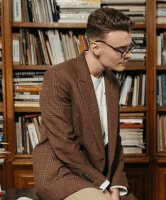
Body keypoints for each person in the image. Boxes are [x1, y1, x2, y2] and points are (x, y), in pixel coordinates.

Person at [33, 8, 138, 200]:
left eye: (130, 47)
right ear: (96, 47)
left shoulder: (112, 82)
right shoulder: (59, 76)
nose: (129, 55)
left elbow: (114, 142)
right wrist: (103, 184)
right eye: (121, 50)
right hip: (61, 173)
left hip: (100, 175)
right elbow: (63, 144)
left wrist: (116, 184)